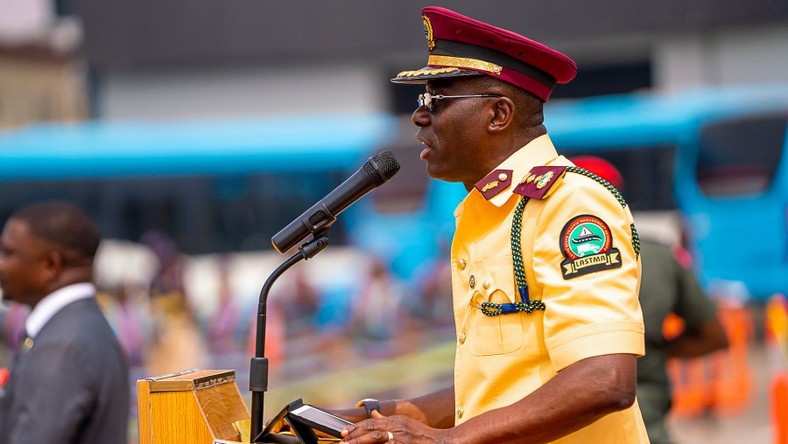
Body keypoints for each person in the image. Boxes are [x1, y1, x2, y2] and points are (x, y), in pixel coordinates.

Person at [333, 6, 649, 443]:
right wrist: (374, 415)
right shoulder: (488, 211)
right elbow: (498, 388)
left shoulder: (570, 204)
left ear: (498, 114)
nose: (419, 117)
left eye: (434, 100)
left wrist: (445, 440)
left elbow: (604, 379)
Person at [572, 155, 729, 444]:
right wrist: (651, 352)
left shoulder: (539, 259)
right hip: (646, 421)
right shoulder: (659, 256)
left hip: (567, 422)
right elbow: (714, 336)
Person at [0, 201, 129, 444]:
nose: (1, 264)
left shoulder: (61, 347)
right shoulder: (83, 326)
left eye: (8, 253)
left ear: (51, 265)